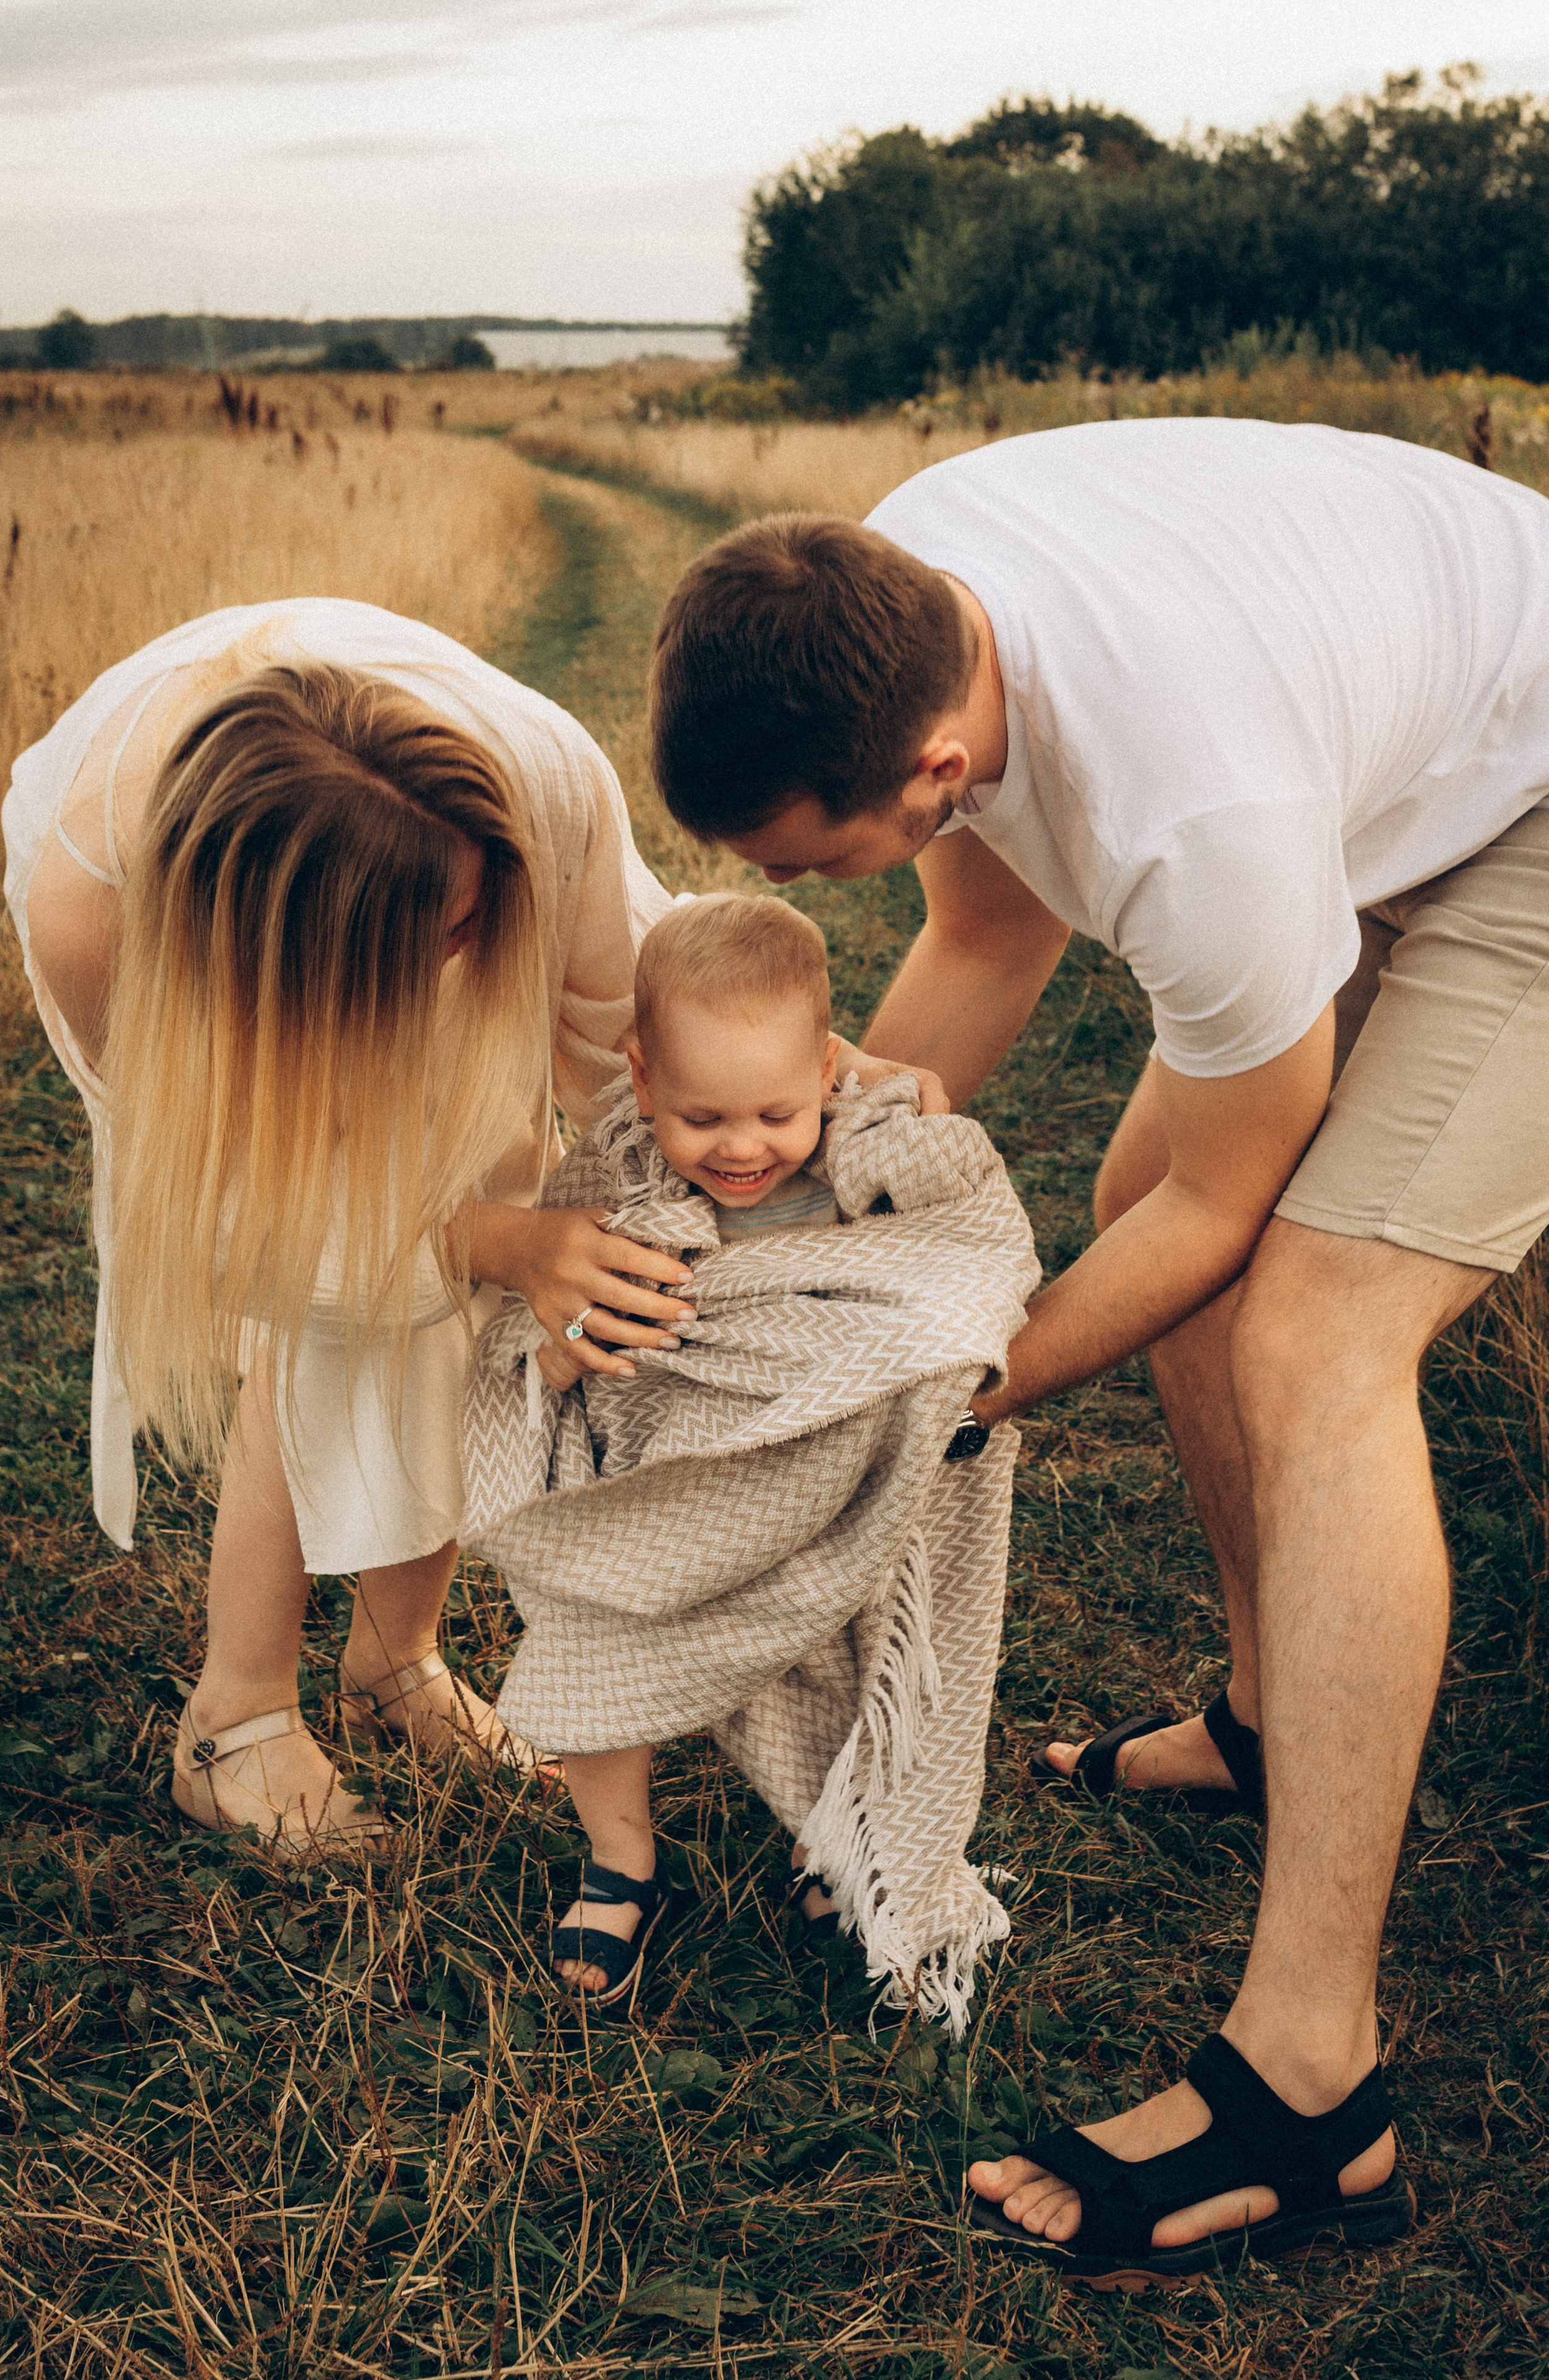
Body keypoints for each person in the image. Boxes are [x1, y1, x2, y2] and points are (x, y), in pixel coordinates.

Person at [644, 418, 1549, 2285]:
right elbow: (982, 929)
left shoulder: (1189, 811)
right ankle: (1275, 1727)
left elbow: (1226, 1211)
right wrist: (793, 1264)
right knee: (1148, 1176)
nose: (823, 900)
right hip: (1398, 745)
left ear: (938, 759)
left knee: (1312, 1334)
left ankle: (1315, 2097)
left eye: (831, 863)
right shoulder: (906, 595)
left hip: (1532, 797)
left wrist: (947, 1391)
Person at [2, 597, 705, 1856]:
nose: (465, 961)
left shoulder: (540, 786)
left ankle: (396, 1665)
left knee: (512, 1187)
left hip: (383, 888)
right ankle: (234, 1719)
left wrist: (649, 1233)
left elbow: (618, 1077)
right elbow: (258, 1238)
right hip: (216, 964)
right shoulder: (94, 912)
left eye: (474, 920)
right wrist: (485, 1243)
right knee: (336, 1304)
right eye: (433, 948)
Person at [458, 894, 1037, 2023]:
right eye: (701, 1115)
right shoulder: (614, 1184)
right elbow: (543, 1338)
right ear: (638, 1076)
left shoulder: (875, 1169)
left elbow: (966, 1265)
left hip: (823, 1500)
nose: (741, 1147)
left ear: (829, 1072)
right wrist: (566, 1356)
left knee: (835, 1658)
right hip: (657, 1495)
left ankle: (831, 1841)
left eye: (775, 1111)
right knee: (595, 1644)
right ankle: (621, 1859)